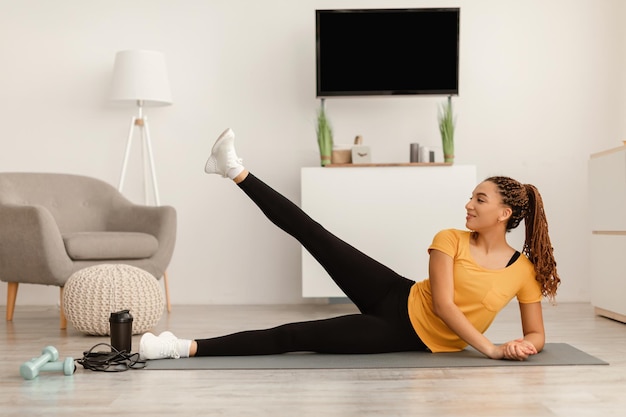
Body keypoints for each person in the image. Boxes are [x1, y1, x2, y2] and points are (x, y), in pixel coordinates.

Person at [139, 128, 560, 361]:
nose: (468, 204)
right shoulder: (449, 239)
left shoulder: (523, 271)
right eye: (471, 196)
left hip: (404, 332)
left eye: (479, 200)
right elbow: (446, 304)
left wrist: (527, 344)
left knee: (292, 336)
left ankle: (177, 348)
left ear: (504, 214)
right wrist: (490, 348)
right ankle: (233, 170)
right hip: (397, 293)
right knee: (315, 233)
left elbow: (536, 332)